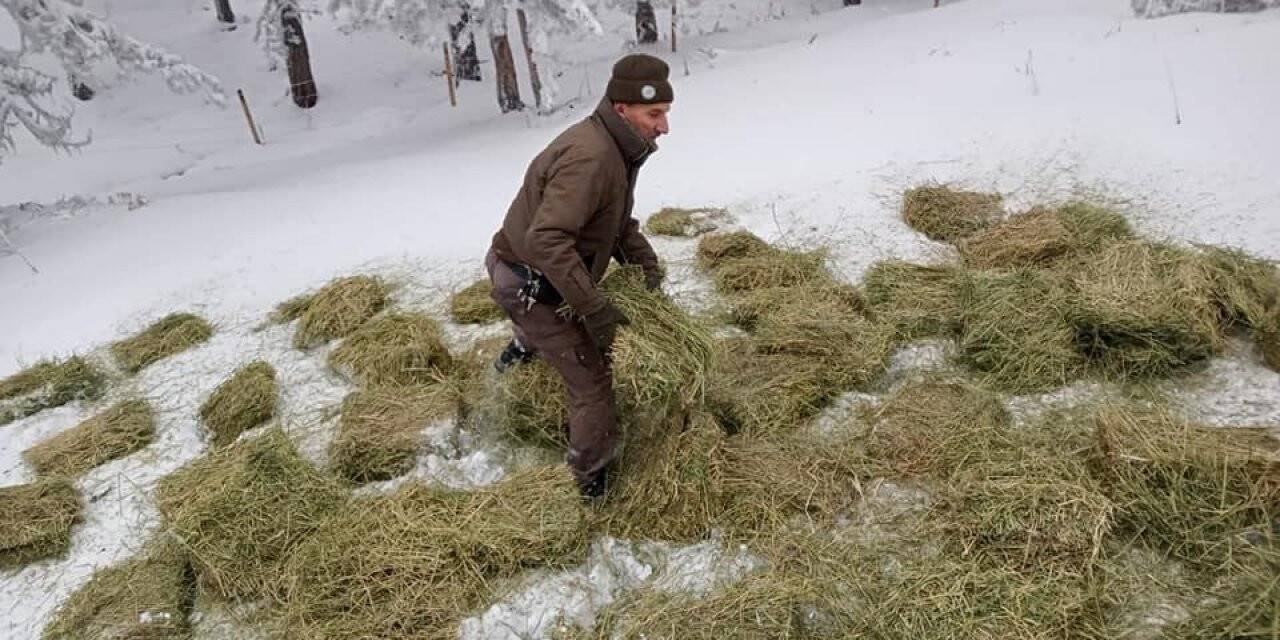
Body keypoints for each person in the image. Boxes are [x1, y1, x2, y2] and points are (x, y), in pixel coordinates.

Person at [485, 53, 673, 498]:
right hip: (527, 282)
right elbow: (548, 240)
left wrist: (646, 267)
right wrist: (597, 311)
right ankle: (587, 483)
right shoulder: (591, 156)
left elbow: (613, 221)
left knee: (562, 332)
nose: (664, 127)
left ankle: (522, 347)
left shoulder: (615, 148)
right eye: (655, 114)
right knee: (594, 384)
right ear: (623, 108)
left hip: (540, 273)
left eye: (665, 113)